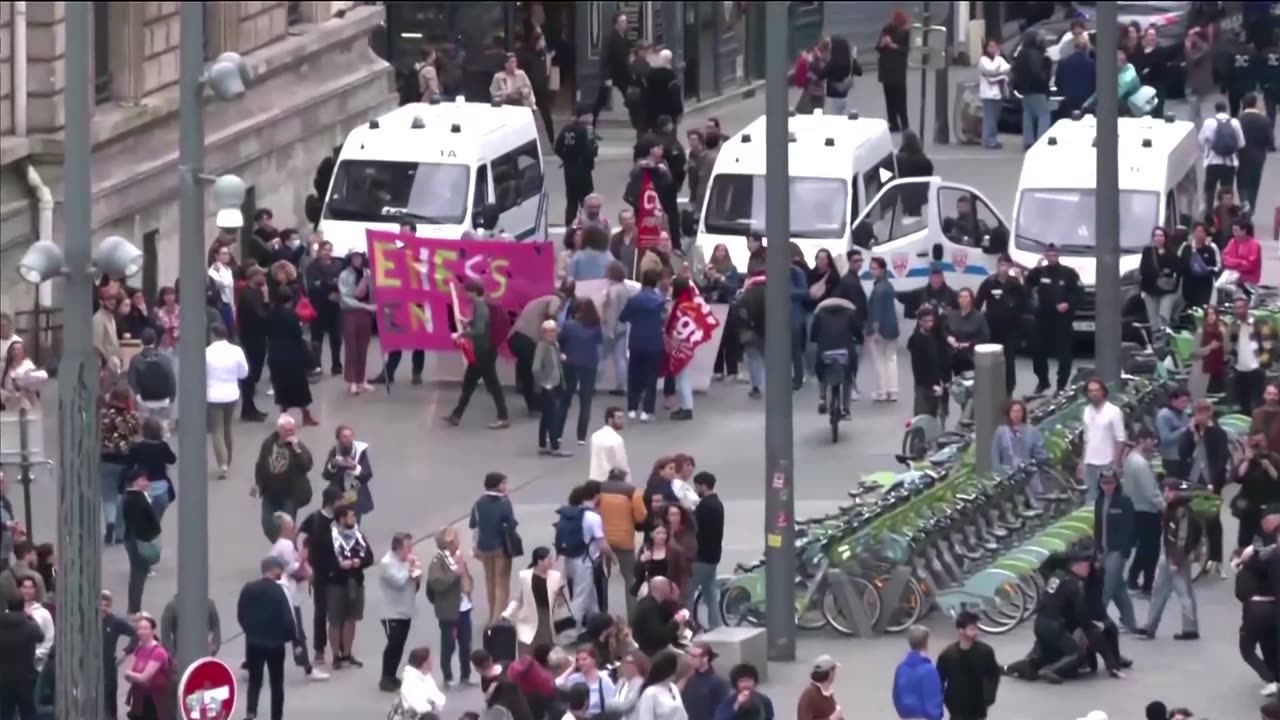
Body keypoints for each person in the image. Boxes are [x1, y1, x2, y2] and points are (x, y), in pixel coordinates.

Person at [1135, 480, 1201, 641]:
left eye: (1169, 490)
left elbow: (1182, 538)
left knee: (1183, 593)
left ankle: (1190, 629)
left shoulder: (1182, 512)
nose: (1166, 493)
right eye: (1165, 490)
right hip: (1168, 555)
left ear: (1178, 492)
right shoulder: (1172, 509)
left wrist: (1177, 561)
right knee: (1159, 590)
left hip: (1177, 558)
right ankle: (1149, 626)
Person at [269, 513, 328, 683]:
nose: (295, 530)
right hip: (288, 595)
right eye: (293, 527)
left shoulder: (278, 546)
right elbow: (296, 571)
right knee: (297, 631)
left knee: (275, 630)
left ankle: (250, 662)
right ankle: (307, 668)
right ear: (284, 529)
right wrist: (306, 566)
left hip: (282, 593)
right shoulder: (286, 545)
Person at [237, 556, 297, 720]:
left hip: (254, 642)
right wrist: (289, 637)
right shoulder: (278, 591)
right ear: (274, 569)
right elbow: (288, 618)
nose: (282, 572)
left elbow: (241, 613)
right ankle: (276, 716)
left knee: (255, 680)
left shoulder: (249, 588)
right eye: (280, 569)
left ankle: (251, 713)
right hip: (275, 644)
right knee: (276, 683)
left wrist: (249, 630)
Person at [445, 279, 511, 430]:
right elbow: (482, 324)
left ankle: (503, 417)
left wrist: (461, 333)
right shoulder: (482, 305)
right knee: (470, 383)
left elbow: (480, 330)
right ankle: (456, 415)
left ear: (474, 292)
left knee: (491, 385)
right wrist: (469, 322)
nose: (465, 294)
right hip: (483, 351)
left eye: (467, 291)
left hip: (484, 352)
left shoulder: (480, 307)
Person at [1025, 244, 1082, 393]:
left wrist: (1069, 304)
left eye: (1054, 255)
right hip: (1043, 317)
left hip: (1062, 319)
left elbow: (1079, 293)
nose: (1051, 258)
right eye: (1049, 255)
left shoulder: (1068, 273)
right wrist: (1036, 266)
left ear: (1058, 256)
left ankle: (1061, 385)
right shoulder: (1040, 272)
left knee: (1064, 354)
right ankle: (1043, 381)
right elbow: (1028, 284)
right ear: (1045, 256)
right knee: (1038, 351)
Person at [324, 504, 374, 667]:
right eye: (351, 516)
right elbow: (321, 560)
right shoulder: (330, 537)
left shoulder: (358, 535)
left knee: (351, 619)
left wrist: (360, 561)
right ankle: (335, 655)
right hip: (336, 584)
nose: (354, 519)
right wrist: (339, 565)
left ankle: (347, 653)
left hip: (356, 582)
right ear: (341, 519)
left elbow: (370, 557)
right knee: (336, 620)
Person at [252, 414, 314, 542]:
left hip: (290, 494)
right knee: (268, 525)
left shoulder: (298, 446)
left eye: (292, 430)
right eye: (287, 430)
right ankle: (283, 545)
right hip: (270, 492)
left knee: (287, 525)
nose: (290, 433)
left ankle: (287, 550)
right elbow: (261, 465)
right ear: (279, 430)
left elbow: (307, 465)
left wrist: (297, 449)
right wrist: (258, 484)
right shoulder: (269, 444)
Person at [297, 486, 341, 667]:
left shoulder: (342, 518)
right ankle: (319, 649)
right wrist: (305, 563)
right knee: (321, 610)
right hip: (319, 572)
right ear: (331, 501)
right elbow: (301, 538)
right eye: (339, 500)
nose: (342, 503)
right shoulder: (315, 519)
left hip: (339, 570)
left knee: (338, 612)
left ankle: (340, 649)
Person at [427, 527, 475, 689]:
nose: (459, 541)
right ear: (449, 543)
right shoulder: (438, 560)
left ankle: (465, 675)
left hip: (464, 608)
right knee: (449, 645)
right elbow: (436, 583)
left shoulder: (459, 558)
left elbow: (467, 581)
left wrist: (463, 571)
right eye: (456, 539)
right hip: (449, 611)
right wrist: (455, 574)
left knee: (466, 644)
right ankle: (447, 677)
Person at [1094, 468, 1138, 633]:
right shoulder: (1099, 500)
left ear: (1116, 483)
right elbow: (1098, 526)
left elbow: (1130, 528)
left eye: (1110, 483)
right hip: (1103, 550)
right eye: (1104, 483)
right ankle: (1130, 621)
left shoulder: (1124, 501)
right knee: (1118, 589)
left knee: (1107, 587)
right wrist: (1097, 549)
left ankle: (1096, 621)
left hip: (1118, 551)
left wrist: (1125, 550)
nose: (1107, 486)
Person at [266, 288, 318, 425]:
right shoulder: (292, 316)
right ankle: (306, 415)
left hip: (276, 355)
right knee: (300, 387)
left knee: (281, 387)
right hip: (292, 356)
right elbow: (297, 335)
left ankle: (283, 416)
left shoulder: (270, 314)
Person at [1124, 429, 1166, 597]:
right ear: (1142, 440)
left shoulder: (1131, 459)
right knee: (1151, 549)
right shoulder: (1140, 464)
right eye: (1151, 440)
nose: (1154, 444)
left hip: (1136, 508)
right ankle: (1147, 584)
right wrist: (1163, 505)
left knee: (1143, 547)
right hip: (1147, 510)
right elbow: (1150, 491)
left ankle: (1133, 579)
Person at [935, 611, 1000, 719]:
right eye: (972, 629)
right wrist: (945, 700)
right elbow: (939, 680)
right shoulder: (948, 655)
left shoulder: (985, 652)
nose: (976, 632)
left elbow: (993, 675)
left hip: (977, 707)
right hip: (956, 708)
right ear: (961, 630)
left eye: (976, 628)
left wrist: (988, 699)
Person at [974, 255, 1024, 395]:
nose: (1004, 268)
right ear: (997, 266)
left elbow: (1024, 301)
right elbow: (978, 303)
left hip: (1010, 328)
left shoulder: (1015, 283)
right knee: (991, 358)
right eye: (1002, 265)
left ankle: (1008, 389)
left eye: (1007, 265)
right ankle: (992, 387)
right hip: (992, 327)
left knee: (1008, 359)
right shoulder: (989, 283)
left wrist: (1021, 281)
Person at [621, 269, 666, 422]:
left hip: (636, 341)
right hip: (654, 342)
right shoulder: (660, 301)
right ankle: (647, 411)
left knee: (634, 376)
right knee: (651, 378)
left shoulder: (633, 300)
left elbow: (623, 317)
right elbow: (664, 320)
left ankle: (632, 408)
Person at [378, 531, 421, 692]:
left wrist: (417, 576)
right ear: (397, 548)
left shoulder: (407, 561)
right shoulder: (387, 563)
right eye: (408, 547)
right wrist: (410, 569)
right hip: (391, 612)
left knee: (399, 645)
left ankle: (392, 675)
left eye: (411, 547)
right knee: (393, 644)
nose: (411, 551)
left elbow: (413, 584)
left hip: (405, 609)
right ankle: (385, 677)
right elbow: (399, 582)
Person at [502, 546, 565, 654]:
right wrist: (507, 614)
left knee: (544, 654)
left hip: (545, 620)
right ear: (539, 561)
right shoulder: (524, 576)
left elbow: (560, 604)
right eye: (548, 559)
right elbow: (517, 599)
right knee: (526, 652)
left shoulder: (556, 577)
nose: (552, 561)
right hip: (527, 618)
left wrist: (560, 596)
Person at [205, 322, 247, 479]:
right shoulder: (236, 351)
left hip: (213, 395)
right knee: (228, 426)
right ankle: (228, 461)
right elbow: (244, 373)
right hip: (231, 394)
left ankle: (222, 463)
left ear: (213, 335)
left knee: (217, 430)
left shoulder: (207, 352)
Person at [100, 385, 141, 545]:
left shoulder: (103, 415)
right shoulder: (132, 417)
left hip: (106, 458)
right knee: (123, 495)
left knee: (108, 495)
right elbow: (138, 435)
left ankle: (110, 522)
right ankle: (120, 532)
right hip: (126, 460)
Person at [560, 300, 605, 444]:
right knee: (586, 402)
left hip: (571, 363)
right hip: (590, 364)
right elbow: (599, 341)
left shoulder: (569, 326)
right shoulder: (596, 327)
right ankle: (581, 437)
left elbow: (560, 341)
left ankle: (558, 433)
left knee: (565, 400)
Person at [810, 294, 859, 419]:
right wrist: (860, 339)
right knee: (848, 376)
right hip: (845, 352)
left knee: (821, 371)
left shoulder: (819, 315)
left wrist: (816, 339)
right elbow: (857, 331)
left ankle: (822, 398)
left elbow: (813, 334)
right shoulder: (850, 314)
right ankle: (846, 409)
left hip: (825, 351)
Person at [991, 399, 1048, 506]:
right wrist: (998, 474)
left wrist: (1031, 463)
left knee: (1037, 501)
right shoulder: (1001, 432)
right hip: (1008, 476)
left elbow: (1041, 454)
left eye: (1019, 411)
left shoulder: (1032, 431)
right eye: (1013, 411)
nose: (1016, 414)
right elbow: (996, 455)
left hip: (1028, 474)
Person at [120, 467, 161, 613]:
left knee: (138, 575)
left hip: (134, 539)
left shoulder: (134, 497)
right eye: (143, 480)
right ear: (135, 481)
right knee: (138, 576)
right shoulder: (136, 499)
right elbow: (138, 523)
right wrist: (151, 534)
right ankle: (134, 609)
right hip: (137, 540)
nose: (147, 482)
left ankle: (134, 608)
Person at [1080, 378, 1126, 504]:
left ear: (1103, 392)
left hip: (1107, 462)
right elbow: (1086, 438)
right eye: (1090, 391)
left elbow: (1120, 439)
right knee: (1090, 498)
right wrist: (1082, 462)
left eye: (1096, 390)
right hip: (1090, 462)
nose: (1093, 393)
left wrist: (1115, 464)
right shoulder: (1086, 410)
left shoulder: (1114, 411)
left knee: (1107, 499)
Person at [337, 250, 376, 395]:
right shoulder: (345, 275)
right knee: (351, 347)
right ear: (350, 259)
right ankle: (352, 381)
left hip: (365, 314)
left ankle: (362, 380)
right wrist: (366, 306)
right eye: (354, 257)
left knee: (363, 348)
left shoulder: (368, 273)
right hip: (350, 313)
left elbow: (374, 292)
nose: (357, 259)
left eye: (359, 257)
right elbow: (345, 297)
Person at [122, 613, 174, 720]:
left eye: (145, 628)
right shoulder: (139, 649)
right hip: (139, 702)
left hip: (155, 703)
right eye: (139, 628)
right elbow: (130, 674)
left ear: (152, 630)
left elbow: (143, 677)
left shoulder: (158, 652)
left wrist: (131, 675)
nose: (141, 631)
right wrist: (133, 676)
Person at [303, 239, 343, 376]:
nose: (327, 252)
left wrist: (327, 283)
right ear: (319, 251)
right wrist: (329, 283)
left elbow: (341, 282)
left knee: (336, 337)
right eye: (324, 249)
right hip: (318, 306)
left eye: (329, 249)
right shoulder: (312, 267)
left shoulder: (338, 264)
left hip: (335, 306)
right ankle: (317, 365)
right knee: (317, 338)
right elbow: (312, 286)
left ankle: (336, 365)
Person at [556, 106, 599, 228]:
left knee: (571, 201)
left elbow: (557, 147)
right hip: (583, 170)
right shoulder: (587, 130)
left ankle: (569, 227)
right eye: (589, 115)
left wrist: (566, 158)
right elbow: (591, 151)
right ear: (581, 116)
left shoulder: (567, 129)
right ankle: (590, 226)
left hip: (569, 170)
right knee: (587, 200)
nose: (592, 118)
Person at [1235, 431, 1280, 550]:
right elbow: (1237, 477)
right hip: (1249, 507)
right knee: (1244, 542)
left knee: (1270, 543)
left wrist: (1269, 468)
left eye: (1261, 441)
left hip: (1270, 508)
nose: (1259, 446)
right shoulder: (1248, 460)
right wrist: (1246, 461)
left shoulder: (1274, 459)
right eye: (1256, 443)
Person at [0, 594, 42, 720]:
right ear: (22, 606)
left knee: (5, 712)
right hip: (25, 677)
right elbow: (41, 636)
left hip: (3, 678)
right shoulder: (28, 625)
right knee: (28, 712)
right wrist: (30, 617)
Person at [1199, 100, 1246, 213]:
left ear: (1215, 109)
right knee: (1226, 191)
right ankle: (1225, 214)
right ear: (1226, 109)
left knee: (1210, 189)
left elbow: (1201, 140)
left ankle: (1209, 213)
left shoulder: (1209, 122)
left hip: (1212, 162)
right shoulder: (1234, 122)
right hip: (1229, 163)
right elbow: (1241, 143)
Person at [865, 256, 900, 402]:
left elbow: (876, 311)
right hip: (892, 328)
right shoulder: (888, 285)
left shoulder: (878, 289)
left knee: (879, 360)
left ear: (882, 270)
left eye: (874, 268)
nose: (872, 271)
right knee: (891, 359)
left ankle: (882, 391)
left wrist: (875, 330)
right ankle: (893, 390)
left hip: (880, 329)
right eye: (871, 268)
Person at [692, 472, 724, 630]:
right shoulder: (717, 503)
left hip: (701, 557)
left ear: (703, 485)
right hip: (713, 556)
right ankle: (716, 625)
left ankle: (687, 626)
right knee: (710, 593)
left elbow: (695, 529)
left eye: (696, 486)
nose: (695, 489)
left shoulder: (704, 506)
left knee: (687, 593)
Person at [891, 625, 943, 720]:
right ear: (926, 643)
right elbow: (933, 700)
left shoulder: (901, 668)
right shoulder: (929, 670)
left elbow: (896, 695)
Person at [126, 328, 175, 426]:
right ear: (155, 340)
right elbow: (171, 380)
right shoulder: (165, 359)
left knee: (145, 430)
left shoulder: (135, 360)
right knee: (162, 429)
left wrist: (138, 397)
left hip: (144, 400)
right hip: (163, 400)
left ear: (141, 341)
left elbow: (131, 382)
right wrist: (171, 399)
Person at [907, 307, 950, 421]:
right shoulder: (917, 340)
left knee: (932, 416)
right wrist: (932, 385)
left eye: (931, 321)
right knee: (922, 418)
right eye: (926, 321)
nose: (930, 324)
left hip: (934, 384)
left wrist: (940, 380)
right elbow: (918, 368)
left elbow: (935, 361)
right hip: (923, 386)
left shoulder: (931, 336)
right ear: (920, 322)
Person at [1012, 29, 1051, 148]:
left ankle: (1028, 141)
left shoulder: (1021, 52)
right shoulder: (1035, 54)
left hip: (1025, 89)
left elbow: (1015, 71)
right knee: (1043, 114)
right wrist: (1045, 79)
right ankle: (1041, 141)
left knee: (1027, 114)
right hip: (1038, 89)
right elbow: (1037, 73)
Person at [630, 577, 687, 657]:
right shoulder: (649, 608)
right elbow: (659, 638)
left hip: (650, 649)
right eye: (669, 587)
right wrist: (676, 622)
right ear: (665, 589)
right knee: (686, 658)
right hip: (650, 652)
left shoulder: (650, 603)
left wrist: (674, 598)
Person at [1138, 227, 1182, 332]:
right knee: (1153, 321)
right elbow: (1144, 270)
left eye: (1161, 235)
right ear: (1153, 238)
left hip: (1166, 291)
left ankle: (1164, 341)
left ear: (1165, 238)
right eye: (1156, 235)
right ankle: (1156, 343)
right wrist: (1160, 272)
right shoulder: (1148, 251)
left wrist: (1165, 272)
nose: (1159, 238)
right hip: (1150, 290)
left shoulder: (1171, 254)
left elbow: (1175, 270)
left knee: (1164, 318)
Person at [594, 12, 632, 130]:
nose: (625, 24)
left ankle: (638, 124)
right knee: (601, 100)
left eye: (625, 21)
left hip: (623, 75)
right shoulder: (610, 38)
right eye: (622, 21)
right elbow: (604, 59)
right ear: (616, 23)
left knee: (631, 99)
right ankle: (592, 125)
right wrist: (606, 77)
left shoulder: (624, 37)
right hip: (611, 75)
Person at [1238, 92, 1273, 213]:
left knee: (1242, 182)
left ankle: (1244, 203)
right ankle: (1251, 206)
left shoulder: (1239, 120)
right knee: (1254, 182)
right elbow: (1270, 141)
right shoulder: (1264, 120)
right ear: (1256, 104)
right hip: (1258, 157)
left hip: (1241, 156)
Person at [557, 646, 617, 716]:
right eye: (578, 660)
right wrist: (572, 668)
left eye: (584, 659)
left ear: (594, 660)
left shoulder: (604, 680)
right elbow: (556, 685)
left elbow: (612, 706)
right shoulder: (574, 679)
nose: (580, 663)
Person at [1234, 296, 1268, 416]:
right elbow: (1230, 346)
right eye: (1236, 308)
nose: (1238, 311)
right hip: (1240, 369)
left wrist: (1264, 363)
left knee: (1259, 402)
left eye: (1241, 308)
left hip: (1256, 369)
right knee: (1244, 403)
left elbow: (1270, 343)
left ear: (1247, 308)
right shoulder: (1234, 325)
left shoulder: (1258, 324)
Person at [877, 11, 911, 131]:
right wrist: (883, 44)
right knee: (895, 99)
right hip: (892, 71)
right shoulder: (887, 31)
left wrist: (891, 45)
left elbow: (904, 50)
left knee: (895, 99)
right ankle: (898, 123)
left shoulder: (903, 33)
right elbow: (879, 48)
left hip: (892, 71)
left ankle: (899, 123)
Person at [1190, 305, 1230, 399]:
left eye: (1213, 314)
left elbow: (1228, 349)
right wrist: (1209, 347)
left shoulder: (1221, 330)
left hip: (1219, 370)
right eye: (1208, 314)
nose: (1211, 316)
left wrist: (1224, 334)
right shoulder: (1201, 331)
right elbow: (1194, 353)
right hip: (1204, 371)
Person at [977, 39, 1011, 149]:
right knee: (989, 118)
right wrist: (997, 62)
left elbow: (1007, 68)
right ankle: (988, 140)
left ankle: (993, 138)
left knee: (995, 117)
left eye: (995, 46)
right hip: (988, 94)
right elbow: (990, 71)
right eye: (990, 46)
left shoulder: (1000, 59)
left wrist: (999, 70)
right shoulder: (983, 60)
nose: (993, 49)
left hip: (998, 93)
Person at [1179, 222, 1221, 309]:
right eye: (1197, 231)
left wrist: (1209, 269)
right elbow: (1179, 263)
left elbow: (1217, 266)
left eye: (1202, 232)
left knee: (1203, 309)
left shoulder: (1211, 248)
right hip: (1188, 285)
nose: (1199, 234)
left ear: (1206, 234)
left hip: (1205, 286)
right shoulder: (1186, 247)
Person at [635, 650, 687, 720]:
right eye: (674, 669)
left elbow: (682, 716)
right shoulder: (650, 693)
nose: (677, 673)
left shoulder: (673, 687)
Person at [642, 50, 683, 135]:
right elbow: (675, 95)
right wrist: (679, 111)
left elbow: (645, 94)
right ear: (669, 60)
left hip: (652, 113)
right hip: (668, 113)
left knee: (655, 136)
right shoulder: (671, 76)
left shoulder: (649, 75)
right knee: (669, 136)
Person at [1055, 34, 1096, 120]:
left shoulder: (1063, 63)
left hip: (1068, 99)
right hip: (1087, 99)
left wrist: (1063, 92)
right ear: (1086, 48)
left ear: (1074, 47)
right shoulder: (1092, 64)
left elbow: (1058, 82)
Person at [398, 647, 446, 716]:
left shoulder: (427, 678)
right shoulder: (409, 682)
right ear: (423, 663)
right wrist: (432, 705)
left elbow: (438, 695)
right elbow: (419, 706)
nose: (432, 663)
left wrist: (436, 703)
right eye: (429, 661)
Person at [822, 36, 860, 116]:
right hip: (847, 95)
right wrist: (854, 59)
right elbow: (859, 72)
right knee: (846, 119)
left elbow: (821, 75)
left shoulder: (831, 63)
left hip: (832, 96)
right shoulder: (849, 61)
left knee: (834, 119)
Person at [796, 654, 842, 720]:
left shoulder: (827, 693)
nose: (835, 674)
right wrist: (832, 718)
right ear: (830, 674)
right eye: (834, 671)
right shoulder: (809, 694)